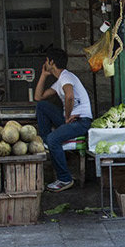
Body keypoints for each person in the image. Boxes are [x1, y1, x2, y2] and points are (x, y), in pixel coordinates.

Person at [35, 48, 93, 192]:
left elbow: (69, 96)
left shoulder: (66, 76)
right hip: (70, 120)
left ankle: (65, 179)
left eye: (46, 61)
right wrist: (43, 75)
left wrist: (67, 116)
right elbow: (38, 97)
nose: (45, 63)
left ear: (51, 62)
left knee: (53, 139)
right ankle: (45, 139)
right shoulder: (60, 80)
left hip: (81, 122)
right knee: (42, 105)